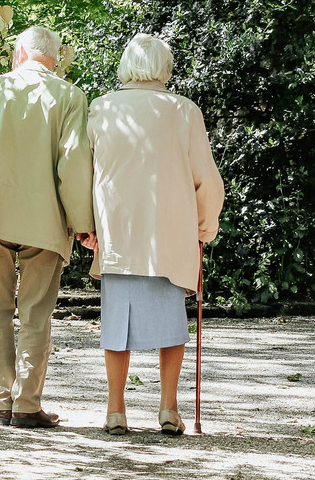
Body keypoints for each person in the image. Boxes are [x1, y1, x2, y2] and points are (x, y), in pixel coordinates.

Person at [0, 25, 95, 429]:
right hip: (45, 220)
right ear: (55, 58)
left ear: (20, 53)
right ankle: (26, 405)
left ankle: (1, 402)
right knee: (35, 314)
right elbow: (74, 163)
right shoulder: (70, 96)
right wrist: (83, 224)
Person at [81, 33, 224, 435]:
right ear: (165, 67)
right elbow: (207, 180)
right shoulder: (184, 111)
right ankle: (168, 408)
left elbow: (83, 173)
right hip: (169, 234)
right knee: (171, 325)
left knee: (115, 325)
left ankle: (115, 410)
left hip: (119, 232)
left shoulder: (102, 108)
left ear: (127, 64)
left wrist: (85, 226)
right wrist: (204, 227)